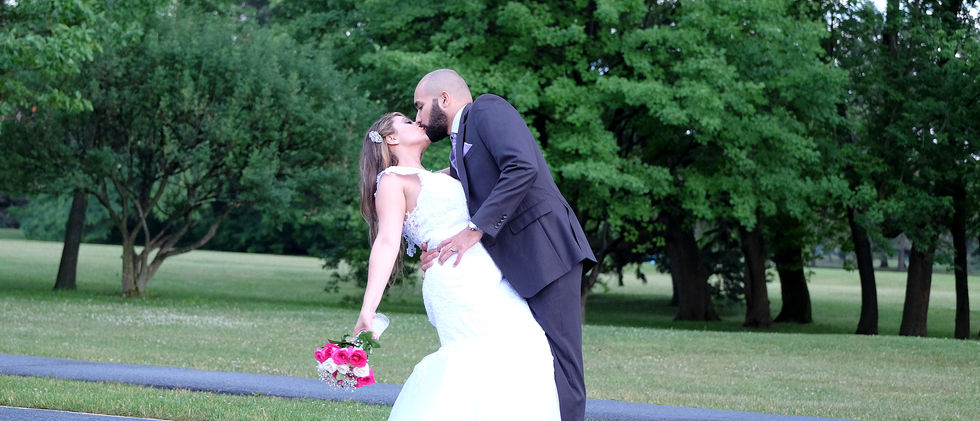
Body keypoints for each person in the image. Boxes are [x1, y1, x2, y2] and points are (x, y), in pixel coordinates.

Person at [414, 69, 596, 421]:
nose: (418, 118)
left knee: (562, 363)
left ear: (444, 99)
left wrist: (475, 230)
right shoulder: (458, 147)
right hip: (513, 267)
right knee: (533, 359)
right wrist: (435, 247)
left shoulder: (486, 109)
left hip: (547, 253)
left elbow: (521, 166)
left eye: (420, 106)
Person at [352, 112, 561, 420]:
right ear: (391, 139)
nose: (418, 121)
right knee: (477, 362)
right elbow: (386, 242)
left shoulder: (446, 175)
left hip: (493, 275)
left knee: (529, 348)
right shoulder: (392, 181)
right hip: (457, 279)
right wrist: (368, 309)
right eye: (407, 121)